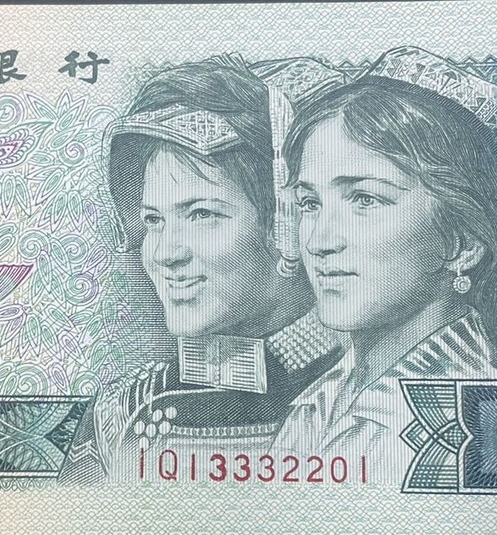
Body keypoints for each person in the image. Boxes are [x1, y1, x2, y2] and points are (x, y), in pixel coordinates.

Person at [58, 56, 341, 485]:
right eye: (153, 220)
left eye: (202, 214)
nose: (165, 253)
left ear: (286, 222)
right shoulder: (122, 413)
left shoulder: (368, 391)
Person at [270, 49, 497, 483]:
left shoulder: (475, 424)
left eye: (365, 199)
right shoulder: (321, 399)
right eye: (310, 203)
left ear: (463, 244)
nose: (318, 242)